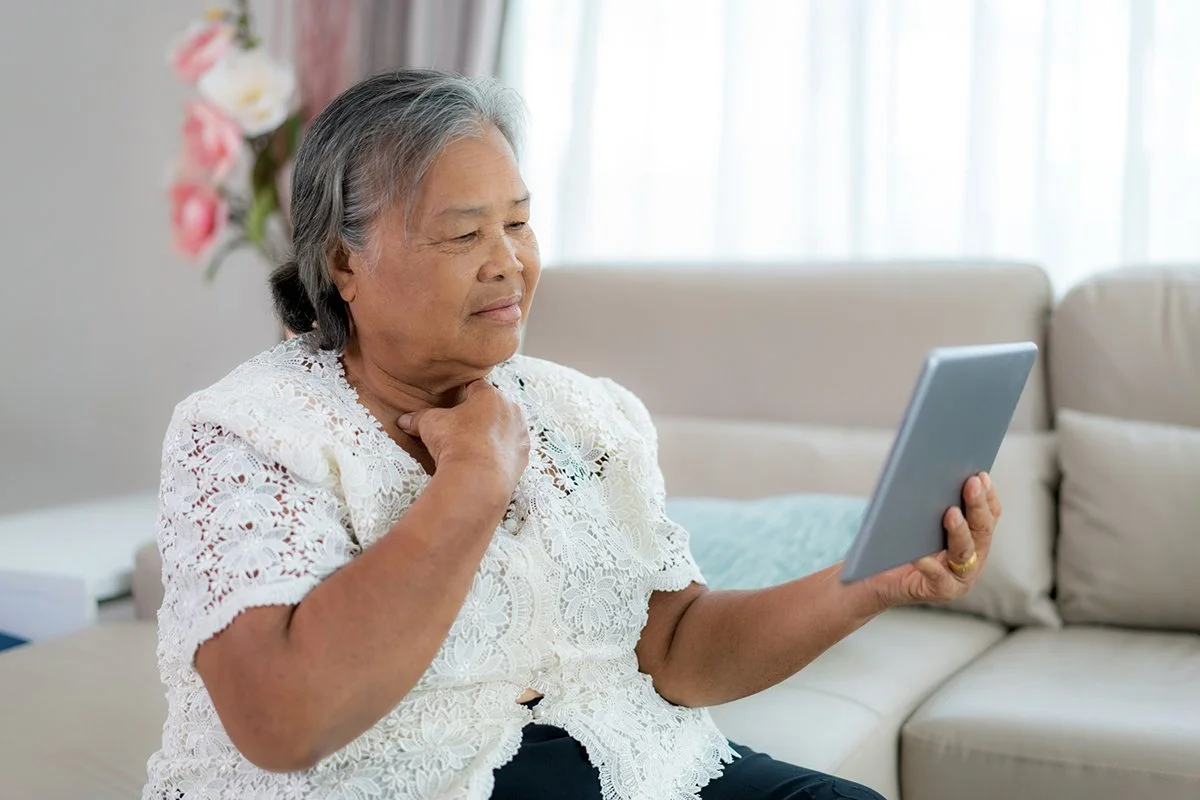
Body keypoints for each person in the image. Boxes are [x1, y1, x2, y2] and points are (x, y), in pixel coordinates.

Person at [144, 70, 1002, 800]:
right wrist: (474, 478)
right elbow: (282, 722)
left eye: (517, 222)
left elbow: (674, 647)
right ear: (342, 263)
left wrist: (871, 583)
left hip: (625, 762)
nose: (507, 261)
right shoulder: (246, 432)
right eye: (462, 233)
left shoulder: (584, 413)